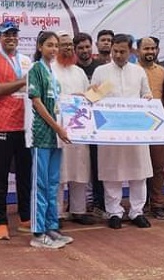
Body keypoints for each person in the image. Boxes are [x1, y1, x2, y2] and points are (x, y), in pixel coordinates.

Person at [91, 34, 154, 229]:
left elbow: (146, 93)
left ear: (131, 51)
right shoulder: (101, 72)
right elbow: (92, 98)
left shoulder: (138, 71)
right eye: (115, 51)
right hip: (110, 131)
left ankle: (137, 211)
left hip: (136, 131)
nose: (118, 55)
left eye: (122, 52)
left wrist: (148, 98)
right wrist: (91, 93)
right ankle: (114, 212)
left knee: (139, 172)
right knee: (112, 173)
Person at [0, 20, 32, 240]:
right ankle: (0, 222)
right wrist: (22, 82)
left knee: (25, 174)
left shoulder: (27, 60)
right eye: (6, 34)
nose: (11, 38)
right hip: (2, 124)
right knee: (0, 175)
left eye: (14, 34)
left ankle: (25, 217)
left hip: (26, 125)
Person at [28, 31, 74, 248]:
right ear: (40, 47)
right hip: (41, 135)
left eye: (56, 45)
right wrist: (58, 128)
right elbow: (37, 103)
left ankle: (51, 227)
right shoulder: (35, 69)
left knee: (53, 183)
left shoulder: (52, 72)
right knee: (40, 184)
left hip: (56, 137)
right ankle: (38, 234)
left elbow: (59, 103)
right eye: (49, 45)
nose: (54, 49)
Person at [53, 31, 94, 226]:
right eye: (64, 45)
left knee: (80, 169)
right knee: (59, 172)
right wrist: (69, 100)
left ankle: (79, 210)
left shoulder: (79, 72)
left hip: (80, 129)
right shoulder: (49, 70)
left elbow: (89, 97)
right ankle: (57, 213)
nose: (68, 48)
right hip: (58, 128)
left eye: (70, 45)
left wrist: (88, 96)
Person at [136, 36, 164, 220]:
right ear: (138, 51)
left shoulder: (163, 71)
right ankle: (139, 205)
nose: (150, 52)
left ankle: (156, 204)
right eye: (146, 48)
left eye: (153, 48)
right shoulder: (132, 70)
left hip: (159, 126)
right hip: (137, 126)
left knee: (158, 166)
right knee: (139, 167)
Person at [73, 32, 105, 216]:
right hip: (79, 124)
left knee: (98, 164)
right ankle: (80, 204)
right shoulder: (73, 69)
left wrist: (91, 95)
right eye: (80, 48)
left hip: (99, 123)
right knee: (80, 166)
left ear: (92, 46)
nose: (84, 50)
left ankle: (100, 202)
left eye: (87, 46)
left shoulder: (101, 68)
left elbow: (105, 91)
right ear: (75, 50)